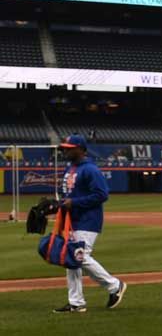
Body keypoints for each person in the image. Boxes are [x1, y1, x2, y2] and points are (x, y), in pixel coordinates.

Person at [52, 134, 126, 313]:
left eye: (70, 148)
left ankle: (115, 285)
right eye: (65, 148)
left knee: (79, 257)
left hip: (87, 221)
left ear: (81, 149)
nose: (65, 150)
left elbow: (102, 194)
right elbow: (68, 196)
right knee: (72, 260)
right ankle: (76, 303)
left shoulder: (90, 169)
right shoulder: (70, 168)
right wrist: (55, 206)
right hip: (72, 220)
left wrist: (74, 203)